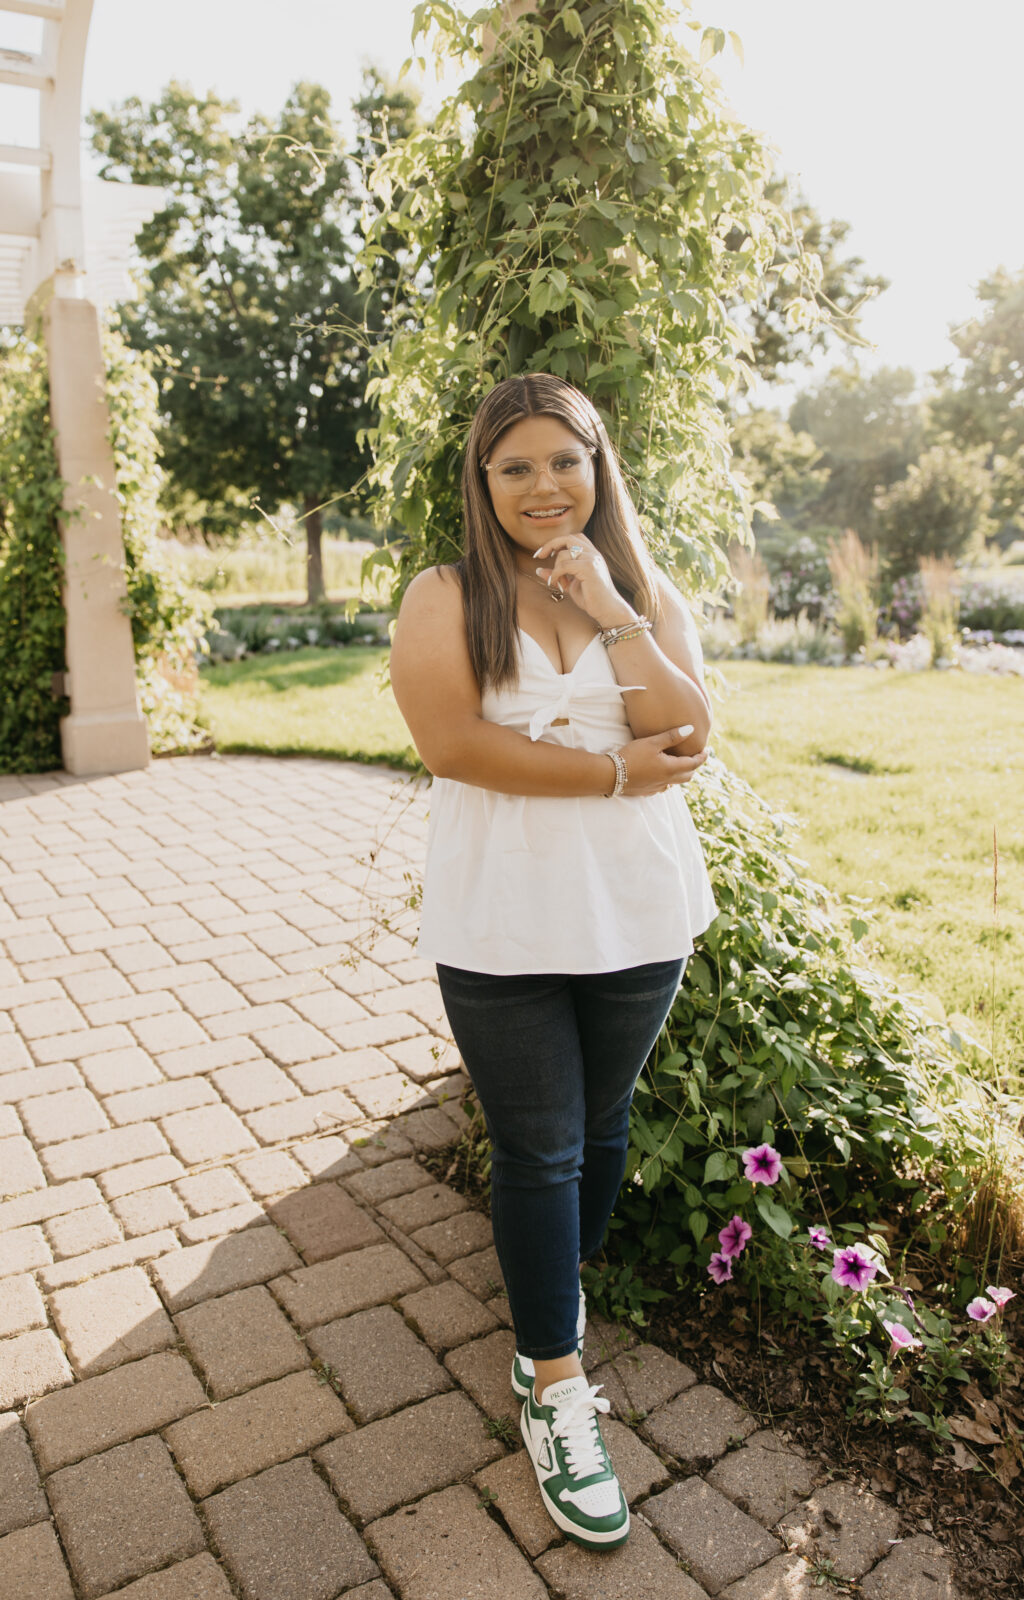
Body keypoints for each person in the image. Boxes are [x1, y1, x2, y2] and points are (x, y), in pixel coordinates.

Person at [390, 373, 715, 1549]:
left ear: (596, 466)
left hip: (636, 906)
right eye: (514, 466)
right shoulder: (444, 594)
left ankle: (554, 1291)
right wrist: (613, 770)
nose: (542, 487)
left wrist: (612, 608)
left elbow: (688, 728)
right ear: (482, 482)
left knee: (604, 1119)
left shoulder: (638, 585)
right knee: (540, 1143)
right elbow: (455, 743)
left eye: (562, 462)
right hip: (504, 915)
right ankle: (554, 1383)